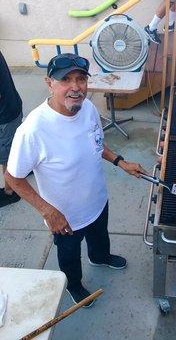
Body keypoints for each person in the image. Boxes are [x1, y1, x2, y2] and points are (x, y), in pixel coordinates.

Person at [5, 53, 147, 307]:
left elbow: (96, 143)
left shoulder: (88, 108)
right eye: (66, 80)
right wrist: (48, 212)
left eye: (80, 79)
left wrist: (120, 162)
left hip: (97, 199)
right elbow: (13, 178)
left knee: (100, 237)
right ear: (49, 83)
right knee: (69, 256)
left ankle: (100, 256)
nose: (75, 87)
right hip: (65, 216)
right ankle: (74, 285)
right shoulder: (33, 129)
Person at [0, 50, 22, 208]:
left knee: (8, 156)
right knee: (16, 146)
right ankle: (25, 167)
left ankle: (11, 192)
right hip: (12, 106)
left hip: (6, 115)